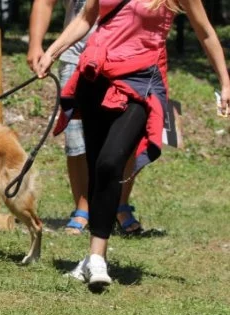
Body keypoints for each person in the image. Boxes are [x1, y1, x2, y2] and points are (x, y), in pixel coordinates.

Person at [35, 0, 230, 288]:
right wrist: (51, 51)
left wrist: (225, 82)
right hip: (95, 76)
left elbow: (206, 32)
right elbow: (86, 18)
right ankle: (95, 257)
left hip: (141, 83)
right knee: (96, 165)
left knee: (111, 161)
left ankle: (97, 259)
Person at [27, 0, 143, 236]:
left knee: (126, 137)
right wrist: (36, 44)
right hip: (77, 55)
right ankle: (83, 206)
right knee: (77, 139)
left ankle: (120, 205)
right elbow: (46, 3)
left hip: (128, 57)